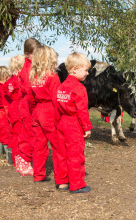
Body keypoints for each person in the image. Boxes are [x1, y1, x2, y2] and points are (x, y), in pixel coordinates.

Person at [55, 52, 92, 193]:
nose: (87, 73)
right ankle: (77, 184)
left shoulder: (61, 87)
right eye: (86, 70)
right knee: (76, 154)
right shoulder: (79, 88)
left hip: (62, 123)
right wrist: (87, 127)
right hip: (73, 124)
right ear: (75, 69)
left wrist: (57, 123)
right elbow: (82, 110)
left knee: (62, 154)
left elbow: (56, 107)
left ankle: (62, 182)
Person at [29, 45, 61, 183]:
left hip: (37, 111)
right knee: (57, 145)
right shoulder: (52, 77)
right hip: (49, 111)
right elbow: (56, 100)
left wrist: (34, 113)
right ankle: (62, 177)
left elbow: (30, 99)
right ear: (50, 59)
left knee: (39, 145)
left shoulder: (34, 78)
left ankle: (38, 175)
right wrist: (60, 118)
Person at [16, 38, 41, 171]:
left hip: (28, 103)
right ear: (27, 54)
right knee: (28, 133)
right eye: (34, 54)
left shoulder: (31, 66)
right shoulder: (28, 69)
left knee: (29, 132)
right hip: (28, 104)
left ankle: (24, 160)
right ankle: (24, 161)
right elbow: (29, 89)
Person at [6, 55, 27, 173]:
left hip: (12, 107)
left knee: (14, 134)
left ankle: (15, 161)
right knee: (21, 135)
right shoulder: (20, 78)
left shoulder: (11, 79)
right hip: (19, 107)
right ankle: (20, 162)